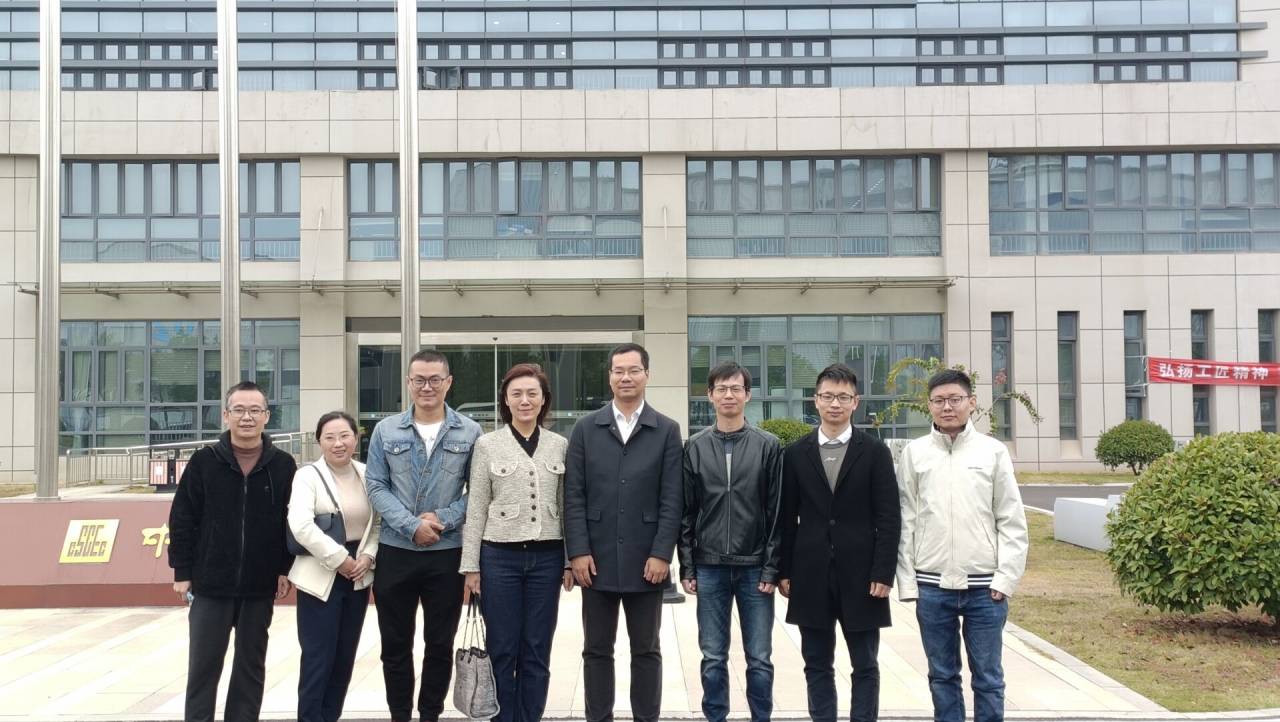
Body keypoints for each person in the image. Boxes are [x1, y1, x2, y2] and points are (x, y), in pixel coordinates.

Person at [895, 369, 1029, 722]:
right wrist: (908, 583)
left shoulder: (993, 452)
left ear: (971, 402)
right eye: (939, 400)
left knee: (988, 678)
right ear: (929, 405)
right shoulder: (915, 453)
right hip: (932, 586)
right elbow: (906, 519)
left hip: (985, 589)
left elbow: (1011, 519)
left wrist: (1005, 579)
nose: (947, 407)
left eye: (955, 399)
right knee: (942, 676)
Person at [563, 342, 683, 722]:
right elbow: (573, 495)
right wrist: (577, 551)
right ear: (610, 376)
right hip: (594, 561)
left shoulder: (666, 430)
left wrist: (662, 553)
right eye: (619, 371)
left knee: (646, 650)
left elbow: (672, 498)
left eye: (633, 370)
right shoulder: (586, 429)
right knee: (596, 649)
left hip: (646, 560)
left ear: (647, 375)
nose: (626, 377)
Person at [168, 380, 298, 722]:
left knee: (250, 668)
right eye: (239, 410)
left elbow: (290, 522)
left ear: (267, 416)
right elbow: (182, 518)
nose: (247, 417)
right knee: (203, 668)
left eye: (255, 410)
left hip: (259, 585)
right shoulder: (204, 461)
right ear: (225, 415)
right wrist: (182, 571)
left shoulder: (283, 465)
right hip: (210, 584)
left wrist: (284, 568)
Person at [778, 363, 901, 722]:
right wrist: (785, 570)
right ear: (815, 400)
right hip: (810, 574)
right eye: (828, 396)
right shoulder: (795, 453)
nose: (835, 403)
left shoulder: (874, 452)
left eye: (843, 397)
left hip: (863, 576)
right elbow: (786, 518)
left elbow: (889, 517)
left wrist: (883, 572)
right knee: (816, 663)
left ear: (855, 402)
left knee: (865, 664)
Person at [365, 349, 483, 722]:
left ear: (448, 383)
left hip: (447, 554)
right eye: (419, 380)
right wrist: (411, 525)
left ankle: (430, 714)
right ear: (408, 382)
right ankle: (400, 714)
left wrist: (443, 520)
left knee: (439, 645)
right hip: (396, 552)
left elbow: (478, 491)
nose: (427, 387)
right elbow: (375, 485)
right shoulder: (386, 430)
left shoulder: (470, 431)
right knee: (395, 645)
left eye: (434, 379)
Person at [460, 363, 575, 722]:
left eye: (532, 394)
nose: (525, 400)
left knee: (537, 648)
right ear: (506, 401)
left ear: (543, 400)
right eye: (517, 394)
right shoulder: (487, 445)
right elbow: (476, 506)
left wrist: (569, 560)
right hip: (499, 558)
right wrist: (471, 567)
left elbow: (567, 506)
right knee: (502, 647)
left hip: (547, 558)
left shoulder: (560, 445)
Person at [679, 360, 783, 722]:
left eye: (736, 388)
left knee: (760, 658)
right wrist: (688, 566)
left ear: (748, 395)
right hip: (709, 567)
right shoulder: (694, 447)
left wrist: (771, 567)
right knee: (712, 657)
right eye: (721, 389)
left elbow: (776, 512)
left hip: (755, 568)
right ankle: (715, 716)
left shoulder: (768, 446)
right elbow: (686, 512)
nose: (728, 395)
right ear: (709, 395)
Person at [288, 410, 380, 722]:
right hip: (321, 574)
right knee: (318, 658)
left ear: (356, 437)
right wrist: (340, 559)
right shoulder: (307, 476)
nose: (338, 443)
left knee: (344, 657)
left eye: (344, 436)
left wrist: (368, 556)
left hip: (358, 574)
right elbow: (301, 525)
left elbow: (378, 523)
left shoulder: (368, 473)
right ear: (319, 442)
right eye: (329, 437)